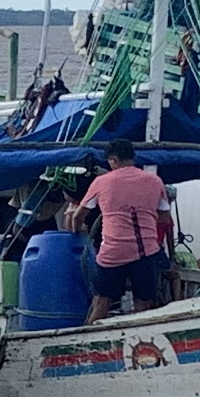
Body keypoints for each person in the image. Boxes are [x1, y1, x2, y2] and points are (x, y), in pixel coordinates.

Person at [68, 139, 172, 324]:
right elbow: (165, 218)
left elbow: (78, 217)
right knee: (144, 306)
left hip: (113, 253)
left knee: (101, 303)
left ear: (113, 160)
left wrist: (78, 232)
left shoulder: (102, 182)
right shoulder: (155, 181)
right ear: (133, 157)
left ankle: (87, 341)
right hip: (146, 252)